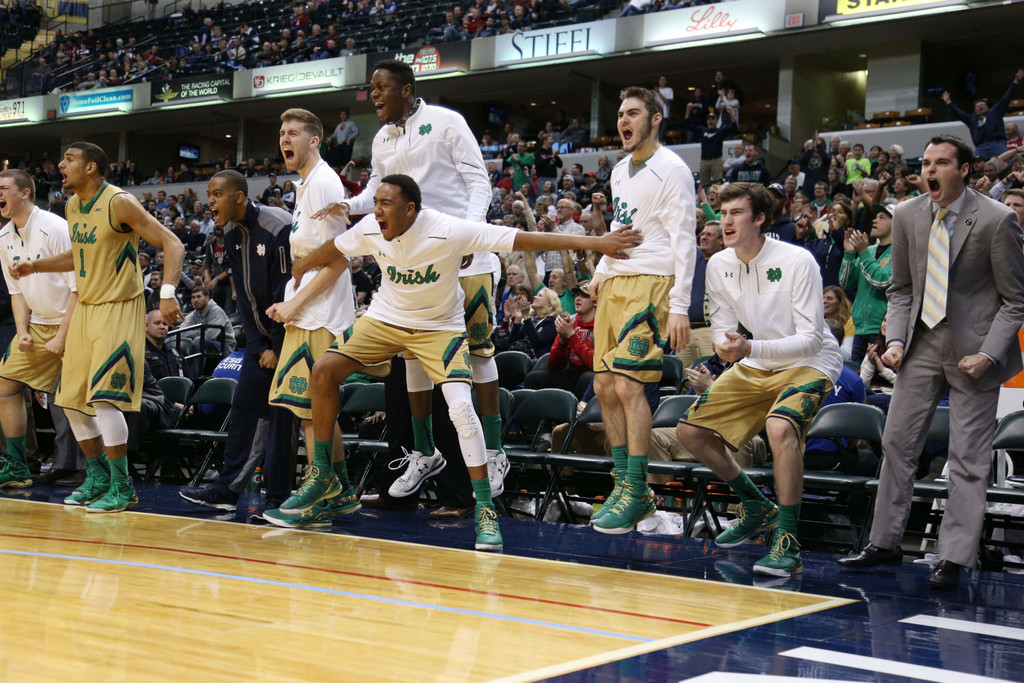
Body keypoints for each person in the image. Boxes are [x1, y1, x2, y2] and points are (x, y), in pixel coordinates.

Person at [262, 174, 640, 548]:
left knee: (460, 408)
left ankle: (484, 509)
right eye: (374, 202)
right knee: (323, 371)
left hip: (439, 329)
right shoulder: (371, 227)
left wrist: (596, 243)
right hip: (385, 321)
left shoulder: (448, 229)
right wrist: (302, 265)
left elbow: (524, 239)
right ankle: (325, 477)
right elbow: (335, 247)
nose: (376, 210)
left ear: (410, 209)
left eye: (385, 203)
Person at [314, 59, 509, 502]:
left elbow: (480, 184)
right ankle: (424, 452)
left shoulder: (446, 122)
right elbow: (376, 192)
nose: (373, 95)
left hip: (465, 255)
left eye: (380, 87)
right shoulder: (382, 137)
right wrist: (347, 204)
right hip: (414, 258)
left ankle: (495, 450)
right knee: (412, 356)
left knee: (479, 351)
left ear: (406, 89)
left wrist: (471, 235)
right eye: (371, 88)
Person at [837, 135, 1024, 590]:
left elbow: (1015, 300)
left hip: (975, 351)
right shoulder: (906, 214)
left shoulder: (997, 219)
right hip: (920, 343)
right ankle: (883, 542)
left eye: (941, 162)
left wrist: (988, 353)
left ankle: (954, 556)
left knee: (968, 457)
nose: (930, 170)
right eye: (925, 163)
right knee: (896, 444)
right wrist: (896, 340)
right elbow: (901, 289)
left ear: (964, 169)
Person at [676, 182, 842, 577]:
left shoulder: (798, 260)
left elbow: (811, 339)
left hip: (811, 360)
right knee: (689, 432)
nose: (726, 221)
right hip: (758, 359)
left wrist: (749, 347)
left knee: (780, 428)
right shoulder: (718, 264)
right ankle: (755, 505)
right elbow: (723, 326)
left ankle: (788, 541)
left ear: (760, 219)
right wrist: (726, 346)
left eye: (736, 213)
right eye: (723, 213)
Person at [11, 142, 185, 512]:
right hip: (86, 308)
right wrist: (34, 266)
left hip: (119, 306)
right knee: (71, 401)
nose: (60, 164)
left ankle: (123, 485)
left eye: (69, 159)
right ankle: (99, 476)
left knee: (104, 399)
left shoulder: (119, 202)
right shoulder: (73, 205)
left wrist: (167, 293)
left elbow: (172, 243)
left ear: (91, 167)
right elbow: (78, 255)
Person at [588, 86, 695, 534]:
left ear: (655, 119)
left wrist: (680, 305)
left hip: (653, 282)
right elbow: (620, 225)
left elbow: (685, 238)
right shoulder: (618, 171)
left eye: (632, 112)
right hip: (616, 281)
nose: (623, 121)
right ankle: (623, 485)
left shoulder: (673, 169)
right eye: (620, 114)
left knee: (629, 385)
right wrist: (601, 268)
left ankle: (637, 488)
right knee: (603, 386)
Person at [259, 108, 369, 528]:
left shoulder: (324, 183)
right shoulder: (306, 185)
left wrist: (295, 303)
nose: (284, 140)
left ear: (315, 141)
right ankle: (339, 493)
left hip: (320, 315)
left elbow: (340, 258)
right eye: (281, 133)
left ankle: (318, 491)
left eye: (293, 133)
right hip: (306, 312)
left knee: (310, 410)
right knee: (310, 411)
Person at [178, 170, 294, 517]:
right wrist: (258, 345)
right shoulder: (230, 232)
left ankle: (277, 500)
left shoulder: (278, 226)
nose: (210, 201)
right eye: (208, 195)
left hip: (290, 339)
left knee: (281, 420)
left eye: (217, 194)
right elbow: (243, 296)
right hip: (260, 341)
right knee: (245, 410)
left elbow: (287, 293)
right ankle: (227, 489)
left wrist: (278, 347)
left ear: (239, 196)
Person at [0, 170, 76, 489]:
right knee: (5, 384)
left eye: (3, 188)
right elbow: (17, 293)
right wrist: (23, 330)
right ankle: (18, 466)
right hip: (38, 324)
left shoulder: (55, 227)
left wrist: (62, 335)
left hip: (75, 321)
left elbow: (78, 289)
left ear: (25, 193)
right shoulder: (4, 237)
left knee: (77, 400)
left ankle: (102, 474)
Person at [839, 200, 894, 365]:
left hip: (882, 330)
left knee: (879, 375)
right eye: (875, 217)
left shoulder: (899, 252)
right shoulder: (869, 250)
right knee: (857, 374)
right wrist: (850, 254)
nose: (874, 220)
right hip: (859, 329)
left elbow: (882, 281)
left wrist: (862, 252)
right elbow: (845, 282)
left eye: (882, 217)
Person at [941, 69, 1023, 160]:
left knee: (1005, 163)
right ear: (975, 110)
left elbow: (1006, 98)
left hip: (998, 144)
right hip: (980, 148)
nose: (980, 107)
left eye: (982, 105)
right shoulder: (971, 119)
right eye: (977, 106)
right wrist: (948, 102)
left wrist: (1015, 82)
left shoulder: (995, 111)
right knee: (974, 165)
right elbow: (959, 113)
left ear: (987, 107)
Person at [180, 285, 236, 355]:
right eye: (193, 297)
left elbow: (210, 336)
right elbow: (182, 332)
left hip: (225, 347)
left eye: (199, 296)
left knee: (199, 340)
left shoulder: (216, 311)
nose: (195, 300)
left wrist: (194, 331)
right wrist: (201, 330)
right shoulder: (195, 313)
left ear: (207, 298)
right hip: (208, 344)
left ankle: (197, 363)